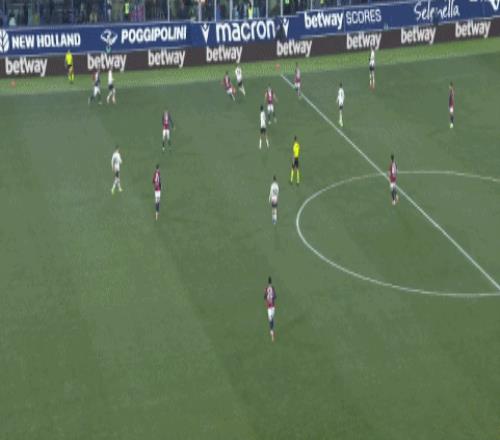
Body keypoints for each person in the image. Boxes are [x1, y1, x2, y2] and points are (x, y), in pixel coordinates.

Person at [264, 276, 277, 342]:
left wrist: (267, 301)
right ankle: (272, 332)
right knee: (271, 318)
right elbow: (275, 296)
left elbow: (264, 297)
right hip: (272, 306)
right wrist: (272, 298)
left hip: (269, 307)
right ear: (271, 282)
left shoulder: (266, 289)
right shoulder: (273, 288)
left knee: (271, 319)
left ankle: (271, 331)